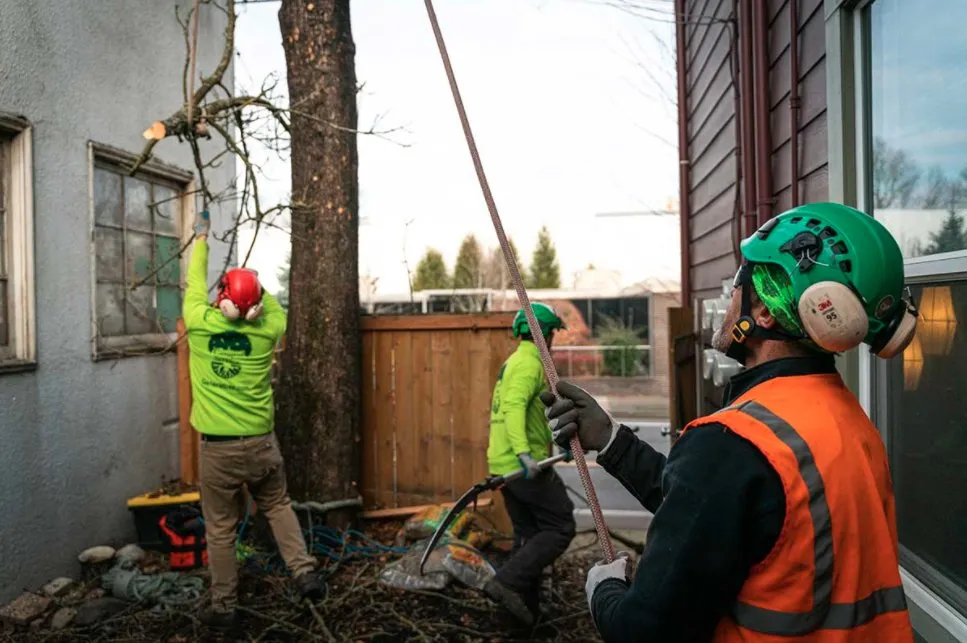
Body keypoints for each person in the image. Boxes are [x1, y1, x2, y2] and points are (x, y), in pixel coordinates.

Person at [541, 202, 919, 642]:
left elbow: (644, 632)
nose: (728, 301)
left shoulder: (733, 443)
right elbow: (718, 516)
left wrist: (603, 592)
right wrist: (611, 441)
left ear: (764, 312)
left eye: (738, 283)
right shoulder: (847, 421)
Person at [186, 211, 323, 628]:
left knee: (222, 528)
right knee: (278, 505)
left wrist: (202, 237)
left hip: (219, 450)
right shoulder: (268, 329)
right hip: (262, 444)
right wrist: (257, 294)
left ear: (223, 302)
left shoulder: (199, 323)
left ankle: (224, 607)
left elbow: (193, 283)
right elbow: (275, 305)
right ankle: (304, 572)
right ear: (257, 306)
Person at [483, 302, 577, 625]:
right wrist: (525, 454)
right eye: (551, 334)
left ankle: (521, 614)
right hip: (521, 465)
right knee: (561, 525)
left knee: (529, 533)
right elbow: (513, 407)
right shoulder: (529, 364)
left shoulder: (517, 361)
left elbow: (536, 414)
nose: (552, 341)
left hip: (504, 462)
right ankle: (506, 582)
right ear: (545, 335)